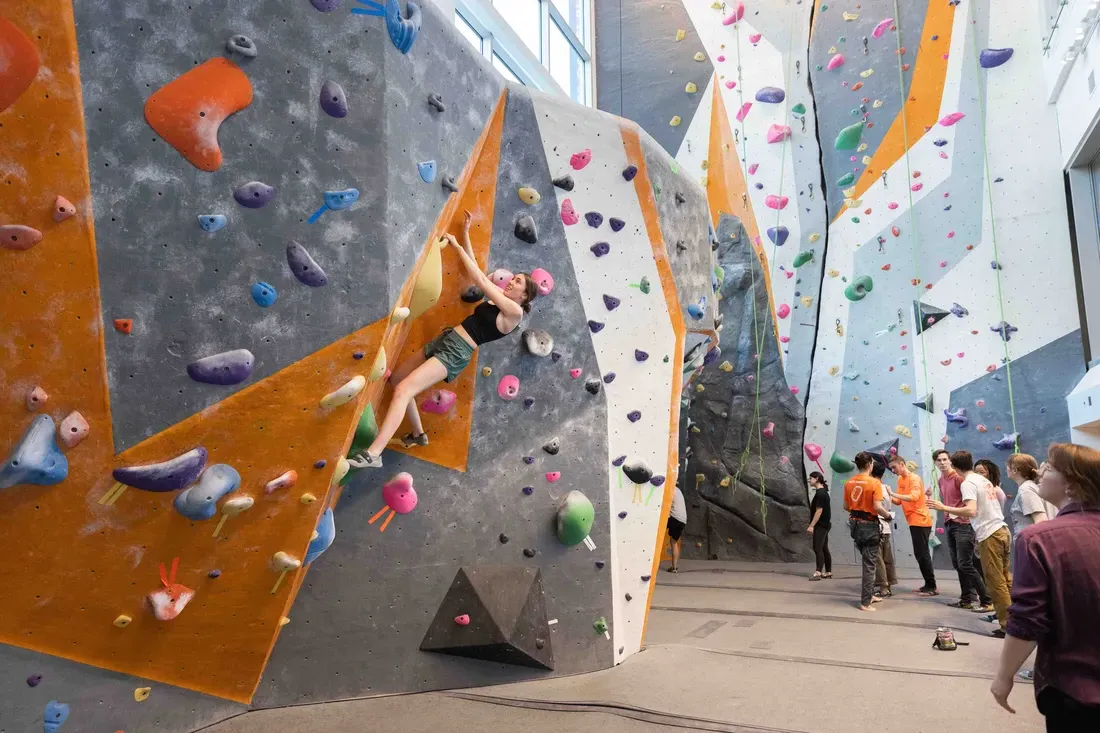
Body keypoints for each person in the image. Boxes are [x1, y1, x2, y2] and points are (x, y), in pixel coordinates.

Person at [350, 211, 538, 469]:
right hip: (447, 339)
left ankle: (373, 454)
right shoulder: (499, 302)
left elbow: (481, 279)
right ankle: (418, 435)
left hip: (456, 352)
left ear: (525, 297)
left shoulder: (514, 313)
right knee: (396, 381)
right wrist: (465, 234)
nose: (511, 282)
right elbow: (478, 270)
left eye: (517, 282)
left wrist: (458, 245)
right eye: (513, 278)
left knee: (405, 390)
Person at [991, 443, 1100, 730]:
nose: (1040, 472)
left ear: (1072, 484)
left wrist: (1004, 675)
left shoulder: (1038, 539)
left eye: (1049, 467)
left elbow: (1028, 619)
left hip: (1077, 691)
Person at [931, 451, 1010, 636]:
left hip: (990, 533)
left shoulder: (967, 482)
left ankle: (1008, 625)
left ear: (955, 465)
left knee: (996, 582)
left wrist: (944, 508)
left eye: (946, 460)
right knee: (1005, 579)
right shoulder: (983, 480)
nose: (943, 464)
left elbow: (971, 510)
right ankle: (1012, 619)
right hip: (1000, 529)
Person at [933, 448, 992, 611]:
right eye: (939, 460)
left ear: (950, 461)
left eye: (945, 459)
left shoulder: (960, 479)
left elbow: (970, 505)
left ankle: (987, 599)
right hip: (950, 524)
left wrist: (948, 509)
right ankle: (967, 598)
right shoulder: (941, 480)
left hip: (964, 525)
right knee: (958, 564)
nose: (943, 463)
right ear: (935, 463)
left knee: (966, 564)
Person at [844, 452, 893, 611]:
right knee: (870, 565)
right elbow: (878, 507)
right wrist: (887, 516)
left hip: (855, 525)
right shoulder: (874, 483)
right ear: (870, 465)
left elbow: (846, 506)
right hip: (869, 526)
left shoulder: (849, 482)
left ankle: (869, 594)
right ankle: (865, 602)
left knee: (868, 561)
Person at [885, 454, 937, 595]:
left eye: (894, 467)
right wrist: (887, 495)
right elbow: (900, 501)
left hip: (920, 519)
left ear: (902, 464)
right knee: (920, 553)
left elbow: (913, 497)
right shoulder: (900, 479)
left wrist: (893, 494)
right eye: (891, 468)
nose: (893, 470)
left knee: (922, 554)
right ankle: (929, 584)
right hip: (913, 520)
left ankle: (931, 586)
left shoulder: (914, 478)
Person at [1006, 453, 1057, 555]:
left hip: (1033, 548)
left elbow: (1041, 521)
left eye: (1008, 466)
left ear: (1015, 469)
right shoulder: (1034, 487)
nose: (1006, 468)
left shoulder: (1026, 490)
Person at [871, 456, 897, 597]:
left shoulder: (873, 487)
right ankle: (889, 584)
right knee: (887, 558)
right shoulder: (886, 488)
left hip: (876, 525)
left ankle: (883, 588)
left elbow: (878, 507)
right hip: (886, 527)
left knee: (877, 558)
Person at [806, 472, 832, 580]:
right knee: (824, 547)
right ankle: (828, 571)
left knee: (817, 548)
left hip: (821, 525)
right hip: (825, 525)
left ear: (817, 479)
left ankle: (818, 572)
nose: (809, 480)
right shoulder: (822, 492)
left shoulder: (821, 493)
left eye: (810, 478)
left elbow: (819, 511)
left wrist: (811, 525)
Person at [666, 484, 687, 573]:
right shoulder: (678, 490)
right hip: (683, 520)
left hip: (674, 518)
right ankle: (674, 568)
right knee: (674, 542)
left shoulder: (669, 489)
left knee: (655, 533)